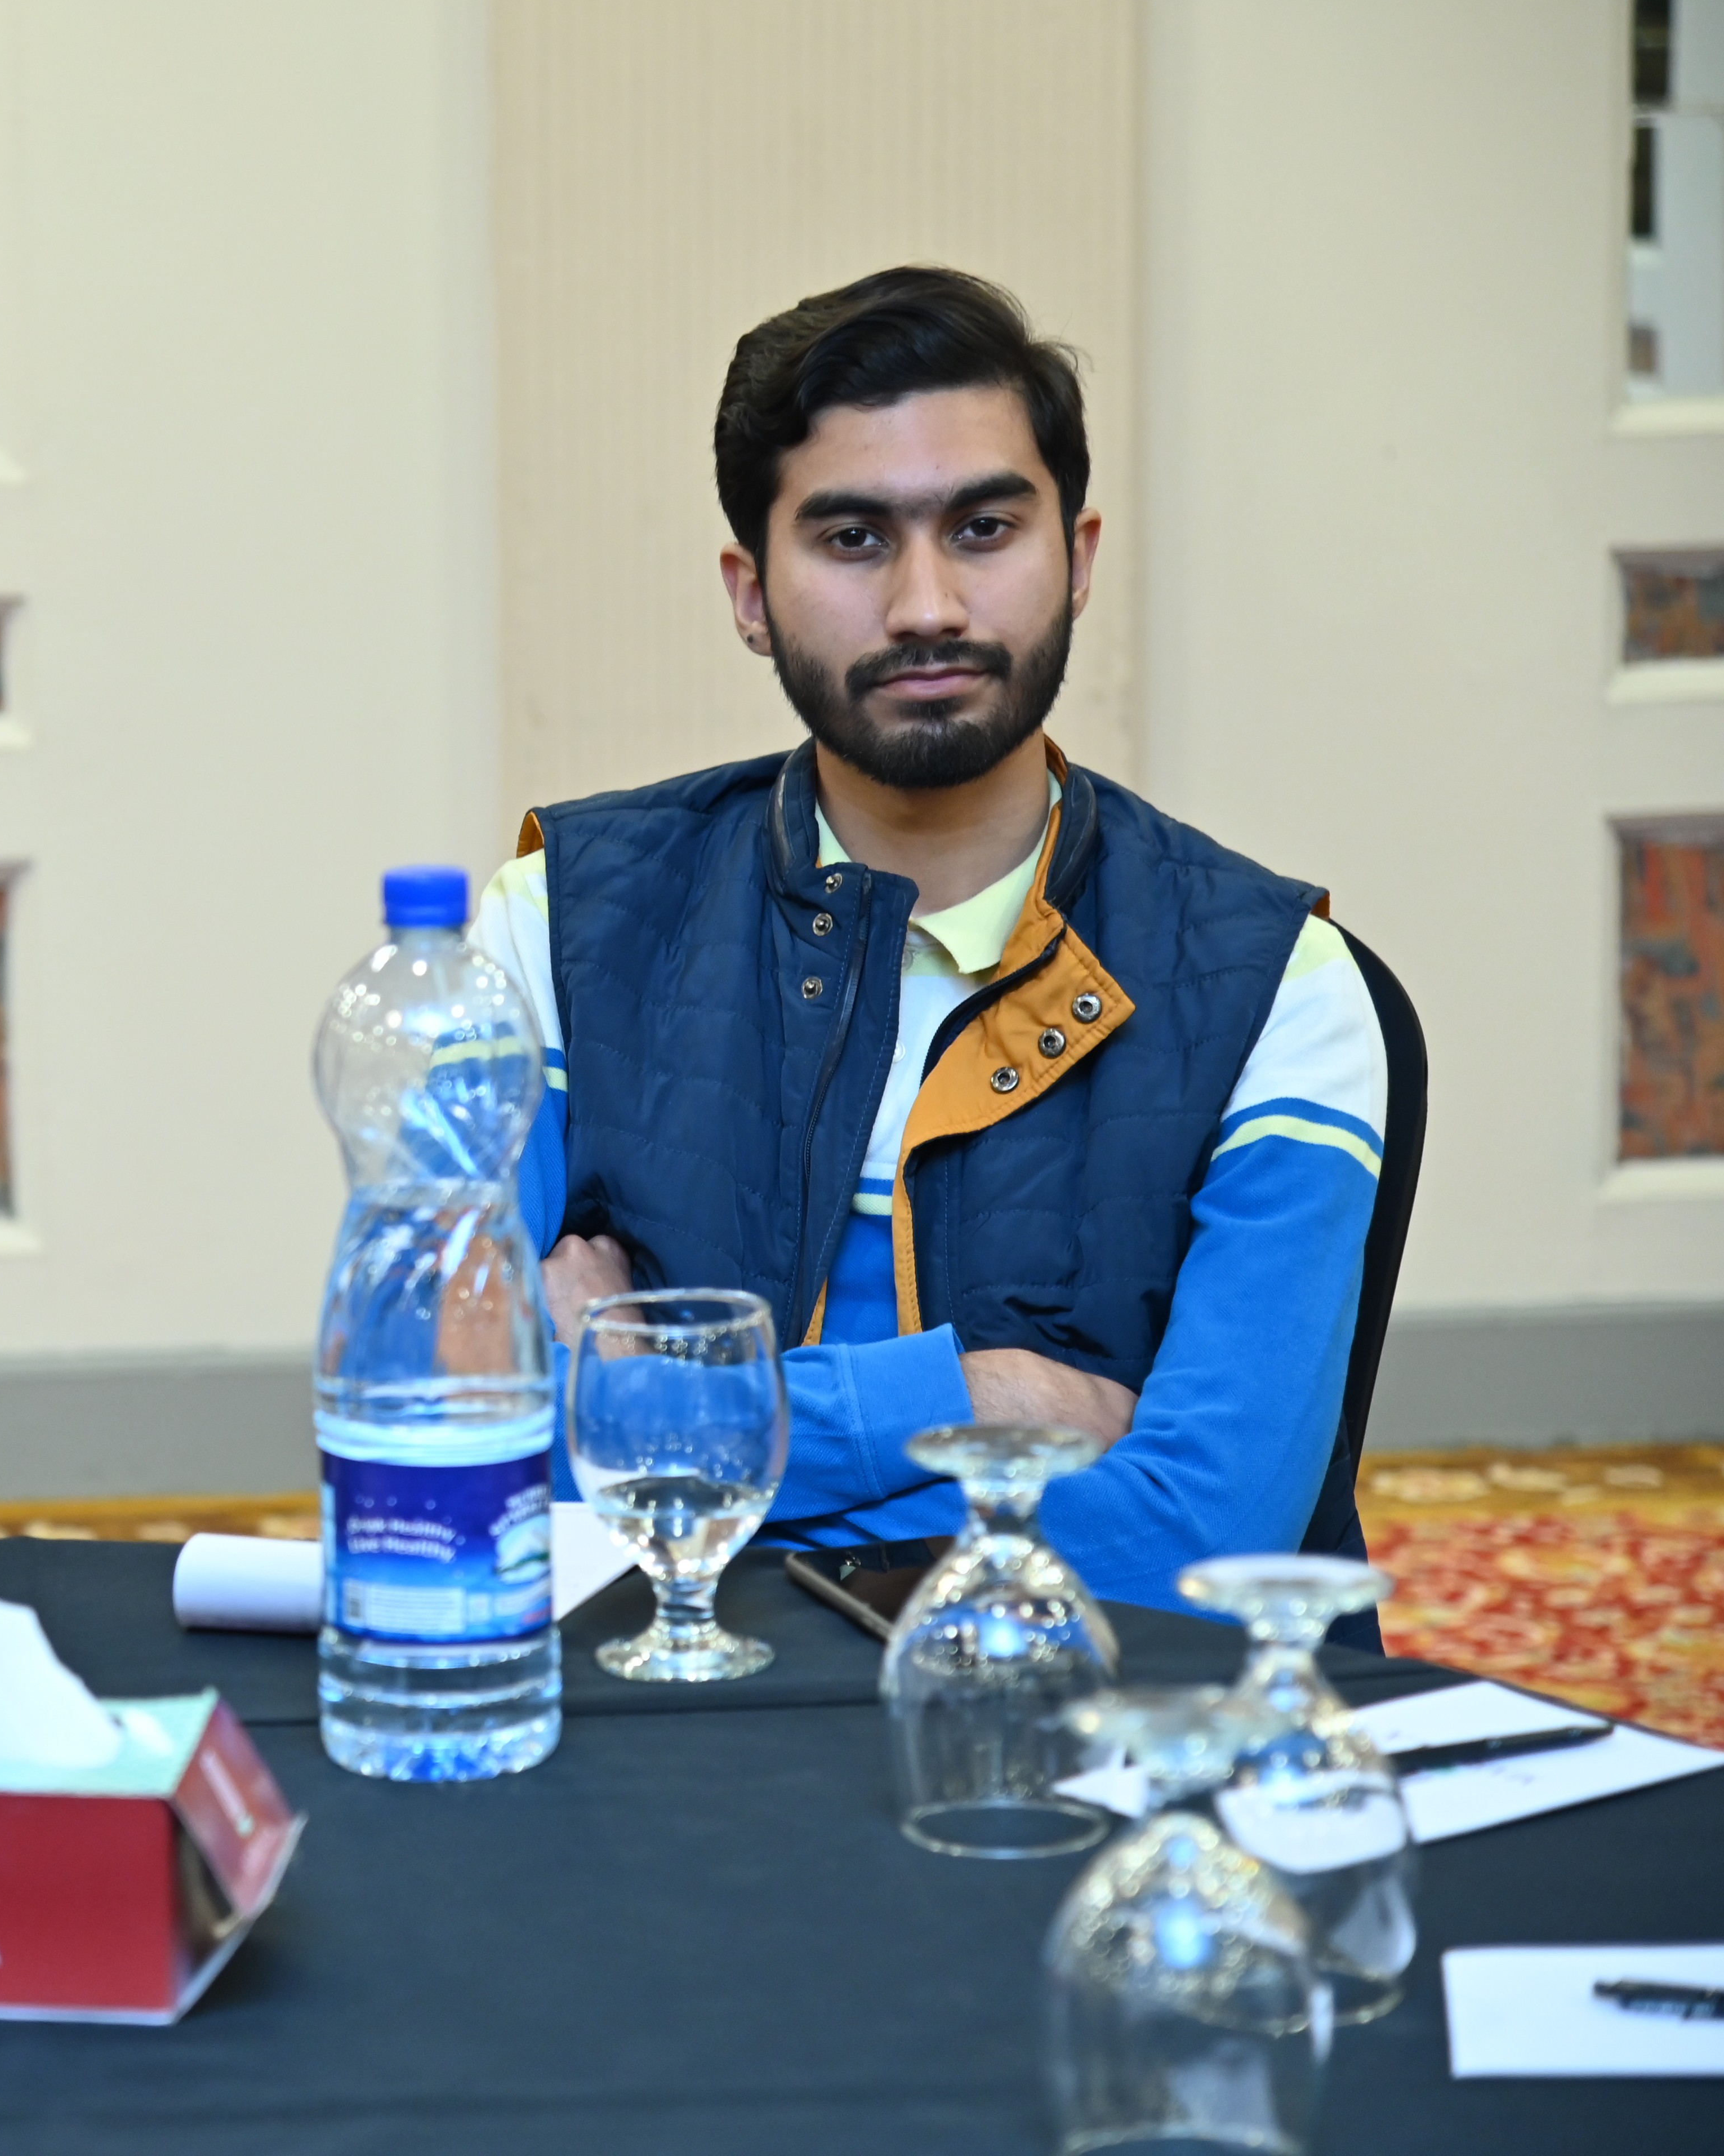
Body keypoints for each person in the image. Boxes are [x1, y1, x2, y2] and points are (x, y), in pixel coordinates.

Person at [474, 267, 1387, 1610]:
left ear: (1076, 558)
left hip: (1074, 1758)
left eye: (982, 528)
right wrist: (968, 1396)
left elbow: (1205, 1537)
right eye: (852, 537)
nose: (926, 607)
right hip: (653, 1723)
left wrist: (657, 1419)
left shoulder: (1277, 988)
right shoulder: (552, 922)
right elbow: (448, 1454)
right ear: (748, 590)